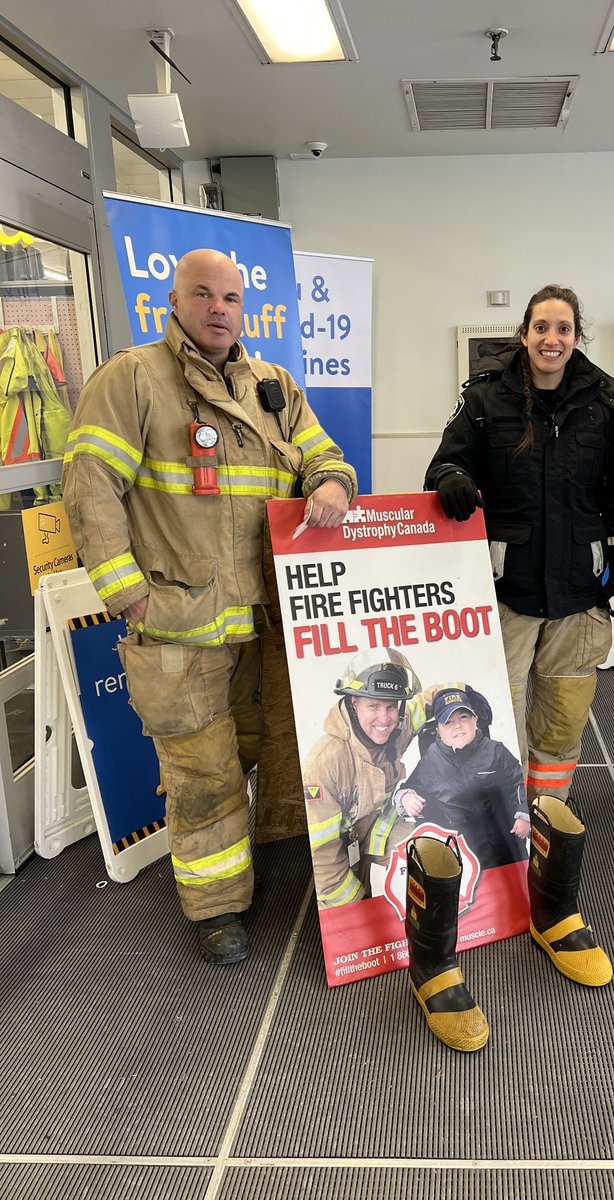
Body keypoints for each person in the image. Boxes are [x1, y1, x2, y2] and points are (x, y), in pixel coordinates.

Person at [62, 248, 357, 964]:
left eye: (230, 297)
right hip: (179, 624)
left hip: (267, 621)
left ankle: (273, 863)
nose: (219, 308)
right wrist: (122, 588)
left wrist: (333, 487)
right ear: (174, 300)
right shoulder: (132, 378)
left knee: (278, 752)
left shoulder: (272, 384)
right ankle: (216, 906)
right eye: (204, 294)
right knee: (203, 773)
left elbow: (327, 455)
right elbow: (89, 484)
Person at [425, 285, 614, 806]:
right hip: (506, 589)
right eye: (541, 328)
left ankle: (548, 810)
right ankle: (504, 818)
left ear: (576, 337)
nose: (551, 338)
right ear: (524, 335)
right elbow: (443, 467)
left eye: (563, 328)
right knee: (500, 707)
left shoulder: (602, 405)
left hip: (578, 591)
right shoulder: (483, 399)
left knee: (564, 711)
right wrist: (453, 476)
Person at [304, 649, 430, 908]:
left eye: (391, 707)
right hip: (334, 867)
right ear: (354, 703)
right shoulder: (323, 765)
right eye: (373, 705)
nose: (384, 720)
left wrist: (461, 693)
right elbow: (323, 860)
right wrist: (360, 907)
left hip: (373, 838)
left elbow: (427, 700)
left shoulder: (397, 727)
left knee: (424, 850)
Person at [394, 686, 530, 869]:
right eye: (448, 722)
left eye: (463, 717)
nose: (457, 725)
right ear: (438, 730)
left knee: (515, 886)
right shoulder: (430, 762)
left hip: (505, 840)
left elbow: (518, 781)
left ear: (475, 720)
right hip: (463, 851)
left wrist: (524, 815)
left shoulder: (495, 751)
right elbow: (407, 789)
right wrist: (405, 797)